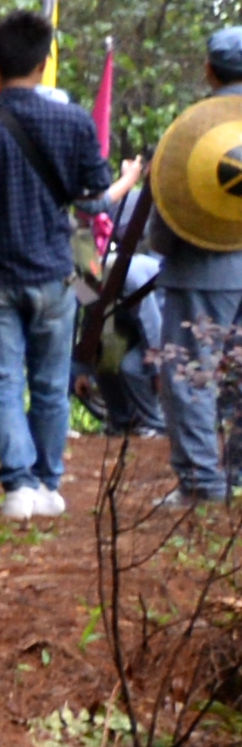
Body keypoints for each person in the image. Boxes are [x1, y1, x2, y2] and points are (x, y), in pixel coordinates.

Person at [0, 5, 115, 520]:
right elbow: (94, 192)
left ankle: (17, 486)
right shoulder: (75, 121)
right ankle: (47, 483)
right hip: (54, 272)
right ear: (42, 63)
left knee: (2, 383)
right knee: (50, 384)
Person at [104, 26, 242, 502]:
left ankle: (203, 484)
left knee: (190, 376)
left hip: (201, 272)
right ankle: (239, 477)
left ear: (209, 69)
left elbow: (164, 216)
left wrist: (165, 248)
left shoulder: (191, 130)